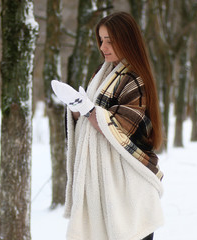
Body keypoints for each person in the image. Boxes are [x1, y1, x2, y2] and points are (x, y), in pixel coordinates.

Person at [51, 12, 164, 240]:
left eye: (110, 40)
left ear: (127, 40)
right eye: (101, 40)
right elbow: (89, 121)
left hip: (128, 188)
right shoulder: (102, 73)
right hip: (104, 188)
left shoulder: (135, 79)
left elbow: (123, 129)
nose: (103, 47)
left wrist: (88, 109)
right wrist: (75, 107)